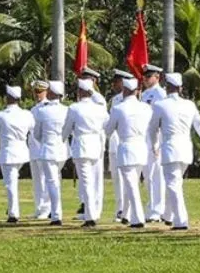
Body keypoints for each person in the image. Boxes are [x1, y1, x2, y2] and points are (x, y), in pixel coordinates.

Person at [147, 74, 200, 231]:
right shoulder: (189, 105)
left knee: (173, 184)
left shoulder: (160, 105)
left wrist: (154, 145)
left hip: (170, 148)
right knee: (176, 183)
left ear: (167, 87)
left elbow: (152, 129)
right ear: (180, 88)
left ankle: (181, 220)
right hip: (185, 149)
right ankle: (169, 216)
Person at [105, 77, 153, 228]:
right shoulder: (146, 108)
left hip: (126, 147)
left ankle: (138, 218)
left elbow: (108, 130)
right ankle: (125, 214)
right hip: (141, 147)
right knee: (131, 182)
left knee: (131, 184)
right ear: (136, 91)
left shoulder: (118, 108)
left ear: (124, 90)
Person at [63, 79, 109, 227]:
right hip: (96, 145)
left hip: (82, 146)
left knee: (87, 182)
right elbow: (106, 126)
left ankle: (90, 216)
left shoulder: (74, 108)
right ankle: (94, 212)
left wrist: (63, 138)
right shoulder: (100, 108)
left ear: (80, 92)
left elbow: (67, 128)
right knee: (95, 181)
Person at [0, 86, 33, 223]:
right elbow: (34, 132)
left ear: (8, 98)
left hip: (8, 153)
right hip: (23, 152)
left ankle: (13, 213)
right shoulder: (26, 114)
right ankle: (12, 208)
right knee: (12, 181)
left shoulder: (1, 115)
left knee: (11, 183)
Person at [32, 82, 69, 225]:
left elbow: (37, 134)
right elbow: (67, 131)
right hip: (62, 150)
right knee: (55, 181)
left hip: (48, 150)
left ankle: (56, 215)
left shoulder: (42, 111)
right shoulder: (67, 110)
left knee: (52, 182)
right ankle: (54, 212)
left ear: (50, 93)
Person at [140, 64, 167, 222]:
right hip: (145, 136)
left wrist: (157, 143)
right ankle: (151, 206)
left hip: (156, 137)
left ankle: (158, 209)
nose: (145, 79)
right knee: (148, 174)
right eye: (144, 76)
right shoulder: (145, 94)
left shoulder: (160, 93)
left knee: (157, 175)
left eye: (148, 76)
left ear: (157, 77)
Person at [107, 70, 133, 222]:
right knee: (117, 179)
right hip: (115, 143)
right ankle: (120, 209)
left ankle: (127, 211)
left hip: (127, 143)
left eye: (117, 82)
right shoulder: (115, 100)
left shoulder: (136, 101)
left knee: (128, 179)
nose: (115, 85)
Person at [27, 81, 51, 219]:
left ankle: (46, 208)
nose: (37, 95)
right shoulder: (34, 109)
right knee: (37, 180)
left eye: (40, 92)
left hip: (43, 147)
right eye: (35, 92)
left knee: (44, 179)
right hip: (34, 148)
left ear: (46, 92)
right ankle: (38, 207)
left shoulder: (46, 107)